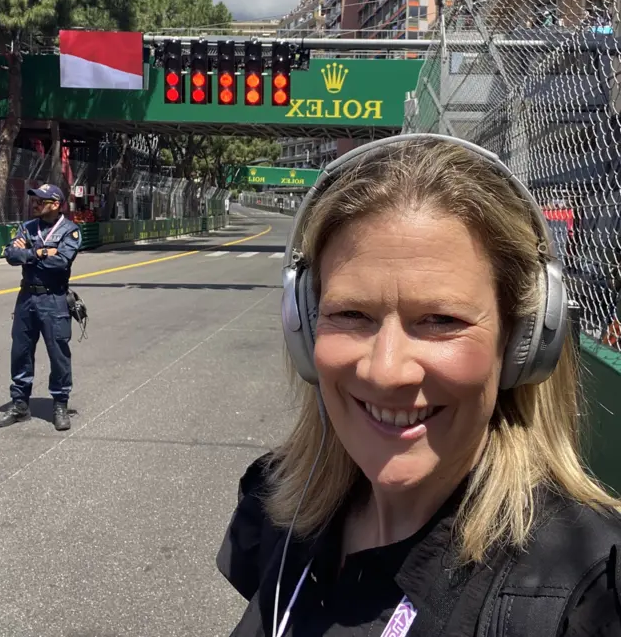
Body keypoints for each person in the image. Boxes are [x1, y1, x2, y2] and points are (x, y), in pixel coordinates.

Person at [217, 135, 621, 637]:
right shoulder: (279, 509)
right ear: (304, 324)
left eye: (439, 319)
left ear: (524, 342)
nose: (386, 371)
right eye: (351, 314)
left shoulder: (584, 600)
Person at [0, 184, 82, 431]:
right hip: (26, 298)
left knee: (58, 354)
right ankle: (20, 404)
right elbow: (11, 255)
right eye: (34, 199)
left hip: (54, 299)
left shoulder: (70, 230)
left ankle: (60, 404)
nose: (34, 203)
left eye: (40, 200)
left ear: (55, 204)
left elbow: (61, 263)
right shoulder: (27, 227)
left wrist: (29, 253)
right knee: (20, 352)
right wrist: (42, 252)